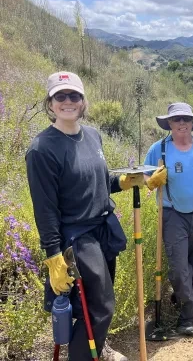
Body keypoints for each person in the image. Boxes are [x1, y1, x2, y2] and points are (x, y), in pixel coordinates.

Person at [26, 71, 133, 361]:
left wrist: (122, 182)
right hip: (77, 239)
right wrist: (53, 255)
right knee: (100, 307)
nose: (68, 101)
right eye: (60, 96)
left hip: (103, 231)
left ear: (83, 101)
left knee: (95, 304)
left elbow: (97, 181)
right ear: (50, 104)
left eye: (74, 95)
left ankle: (97, 348)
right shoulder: (42, 149)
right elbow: (45, 208)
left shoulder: (93, 136)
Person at [143, 102, 193, 337]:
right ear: (169, 123)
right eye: (176, 120)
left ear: (192, 123)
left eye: (186, 119)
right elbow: (145, 178)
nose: (181, 123)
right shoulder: (159, 149)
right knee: (178, 269)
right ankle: (188, 316)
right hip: (172, 214)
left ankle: (183, 298)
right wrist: (152, 181)